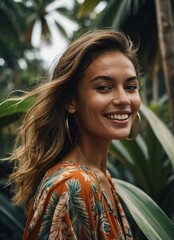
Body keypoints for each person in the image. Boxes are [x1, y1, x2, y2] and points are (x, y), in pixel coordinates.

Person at [9, 29, 141, 239]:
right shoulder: (73, 185)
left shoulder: (101, 177)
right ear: (71, 101)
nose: (124, 99)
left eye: (131, 86)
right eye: (104, 87)